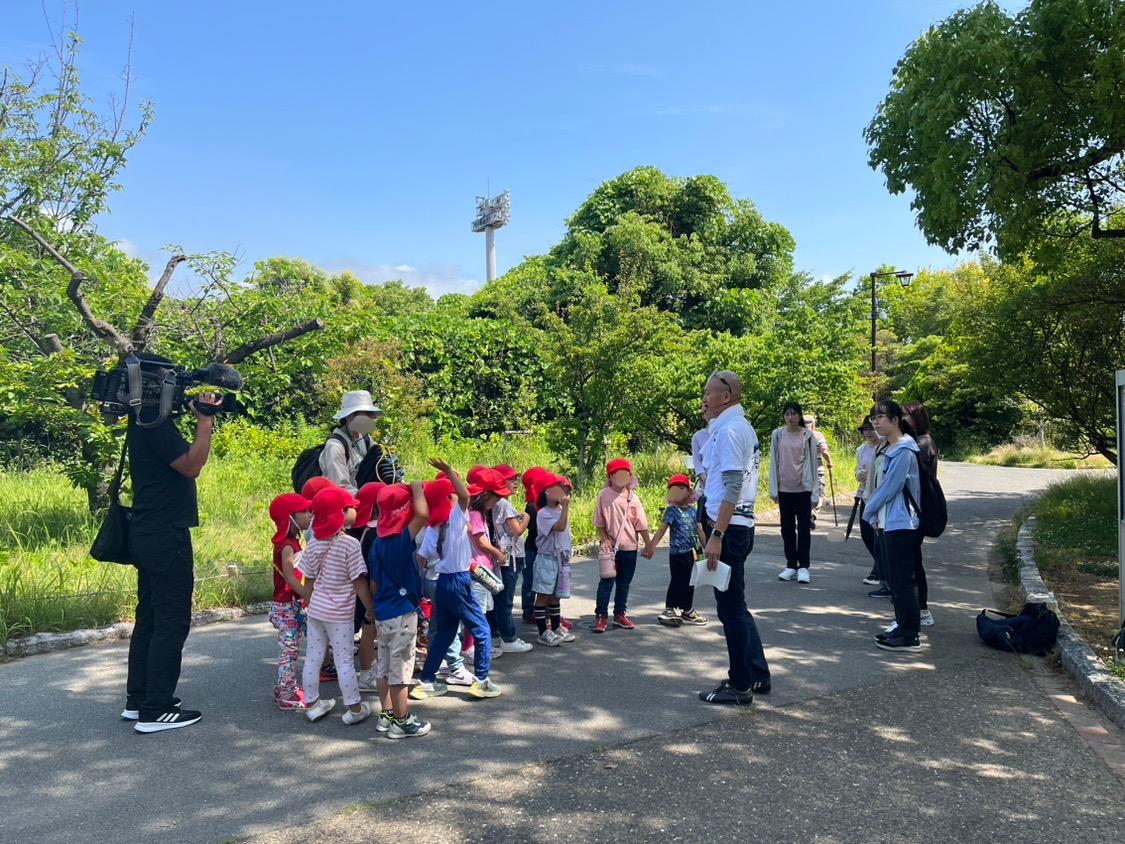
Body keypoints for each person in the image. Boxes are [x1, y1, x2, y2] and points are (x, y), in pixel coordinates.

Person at [124, 388, 222, 734]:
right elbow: (191, 465)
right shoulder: (156, 425)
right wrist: (205, 420)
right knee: (172, 621)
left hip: (147, 532)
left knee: (150, 617)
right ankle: (157, 709)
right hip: (167, 535)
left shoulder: (141, 421)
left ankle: (139, 700)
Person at [698, 371, 772, 705]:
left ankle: (740, 684)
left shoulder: (729, 430)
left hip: (728, 528)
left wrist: (716, 534)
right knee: (736, 606)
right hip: (736, 524)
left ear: (726, 396)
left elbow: (732, 486)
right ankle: (755, 672)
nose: (704, 399)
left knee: (731, 610)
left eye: (708, 393)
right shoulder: (736, 427)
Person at [415, 462, 503, 700]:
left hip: (442, 582)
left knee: (444, 633)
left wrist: (416, 587)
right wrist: (451, 471)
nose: (460, 496)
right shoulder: (455, 517)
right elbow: (465, 495)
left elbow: (421, 559)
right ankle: (482, 681)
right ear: (448, 499)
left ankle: (426, 681)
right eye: (453, 494)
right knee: (482, 630)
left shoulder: (433, 527)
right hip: (459, 581)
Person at [301, 486, 376, 724]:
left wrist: (307, 601)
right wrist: (370, 608)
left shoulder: (313, 543)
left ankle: (312, 704)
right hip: (340, 614)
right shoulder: (350, 544)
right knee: (344, 659)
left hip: (316, 610)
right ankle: (354, 709)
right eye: (350, 508)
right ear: (339, 513)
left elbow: (309, 579)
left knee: (313, 656)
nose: (355, 509)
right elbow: (359, 582)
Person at [368, 482, 432, 739]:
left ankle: (387, 715)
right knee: (402, 669)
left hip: (383, 611)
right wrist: (417, 489)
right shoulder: (401, 539)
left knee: (383, 666)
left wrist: (376, 607)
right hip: (402, 612)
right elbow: (423, 515)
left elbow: (373, 583)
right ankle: (402, 721)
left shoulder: (377, 543)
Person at [862, 400, 923, 653]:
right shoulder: (889, 448)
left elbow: (891, 487)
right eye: (873, 417)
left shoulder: (905, 450)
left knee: (902, 580)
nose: (875, 422)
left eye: (881, 417)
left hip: (903, 524)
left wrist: (869, 509)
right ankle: (902, 625)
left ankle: (910, 635)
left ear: (896, 420)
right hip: (889, 522)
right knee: (895, 581)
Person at [593, 458, 655, 633]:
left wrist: (648, 545)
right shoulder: (603, 495)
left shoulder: (633, 498)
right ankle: (601, 616)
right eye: (616, 474)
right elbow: (599, 521)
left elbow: (641, 524)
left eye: (625, 474)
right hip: (610, 548)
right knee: (606, 582)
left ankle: (620, 614)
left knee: (624, 583)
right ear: (610, 476)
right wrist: (604, 538)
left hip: (630, 548)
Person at [267, 493, 314, 711]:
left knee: (292, 647)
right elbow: (290, 577)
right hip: (287, 605)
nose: (308, 515)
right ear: (290, 517)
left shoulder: (292, 542)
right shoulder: (287, 545)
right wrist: (307, 595)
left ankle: (286, 686)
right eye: (304, 511)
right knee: (289, 650)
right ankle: (286, 691)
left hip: (289, 604)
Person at [768, 402, 820, 584]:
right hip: (784, 489)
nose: (790, 417)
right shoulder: (778, 434)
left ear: (800, 416)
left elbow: (813, 464)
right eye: (787, 414)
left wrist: (815, 492)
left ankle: (804, 566)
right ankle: (791, 564)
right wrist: (773, 488)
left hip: (803, 489)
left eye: (794, 414)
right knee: (787, 528)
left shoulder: (808, 436)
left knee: (804, 528)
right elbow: (773, 461)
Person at [467, 468, 514, 658]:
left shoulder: (479, 514)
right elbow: (480, 542)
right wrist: (497, 552)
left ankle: (480, 645)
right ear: (485, 496)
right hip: (478, 569)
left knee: (483, 608)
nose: (496, 503)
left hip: (483, 567)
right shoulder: (476, 515)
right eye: (495, 499)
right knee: (477, 610)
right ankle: (471, 648)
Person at [651, 474, 708, 627]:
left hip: (695, 551)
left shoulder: (694, 510)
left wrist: (707, 547)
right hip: (678, 553)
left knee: (691, 581)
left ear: (689, 492)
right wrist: (651, 546)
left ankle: (687, 609)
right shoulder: (671, 511)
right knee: (677, 580)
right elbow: (662, 530)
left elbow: (700, 530)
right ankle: (669, 609)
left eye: (681, 488)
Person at [490, 464, 535, 653]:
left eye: (516, 479)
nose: (515, 482)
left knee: (499, 597)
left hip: (506, 555)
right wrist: (526, 518)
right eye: (510, 479)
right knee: (506, 599)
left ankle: (496, 634)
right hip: (510, 557)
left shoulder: (499, 502)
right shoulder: (504, 504)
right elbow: (517, 530)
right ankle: (509, 637)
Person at [902, 401, 939, 627]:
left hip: (917, 510)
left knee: (913, 561)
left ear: (916, 418)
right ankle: (916, 608)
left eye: (905, 416)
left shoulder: (921, 444)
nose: (901, 420)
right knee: (912, 560)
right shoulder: (918, 442)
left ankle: (922, 609)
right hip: (915, 508)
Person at [531, 473, 576, 646]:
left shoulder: (558, 510)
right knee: (543, 595)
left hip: (562, 560)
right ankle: (543, 632)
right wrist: (565, 508)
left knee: (557, 596)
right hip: (547, 559)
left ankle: (556, 627)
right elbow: (559, 527)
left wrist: (563, 509)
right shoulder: (543, 513)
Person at [352, 481, 385, 693]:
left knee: (369, 630)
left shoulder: (359, 530)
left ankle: (369, 669)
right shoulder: (375, 532)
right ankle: (366, 673)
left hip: (361, 590)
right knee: (369, 629)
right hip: (371, 591)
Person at [318, 390, 383, 495]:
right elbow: (340, 487)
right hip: (345, 503)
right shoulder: (335, 447)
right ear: (349, 416)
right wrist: (366, 497)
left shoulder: (365, 439)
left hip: (362, 496)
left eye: (369, 414)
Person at [855, 419, 882, 586]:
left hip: (879, 496)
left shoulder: (885, 447)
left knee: (879, 535)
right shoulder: (861, 449)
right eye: (865, 430)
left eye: (871, 429)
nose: (868, 433)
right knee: (866, 534)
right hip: (865, 495)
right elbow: (858, 469)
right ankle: (880, 565)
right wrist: (859, 475)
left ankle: (879, 570)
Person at [805, 413, 833, 526]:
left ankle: (806, 514)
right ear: (814, 424)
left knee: (806, 493)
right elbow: (824, 450)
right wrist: (830, 462)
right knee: (819, 492)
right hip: (817, 469)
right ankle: (812, 513)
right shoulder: (818, 435)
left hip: (802, 470)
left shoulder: (796, 435)